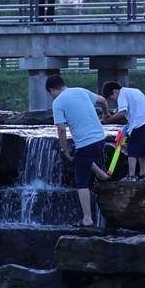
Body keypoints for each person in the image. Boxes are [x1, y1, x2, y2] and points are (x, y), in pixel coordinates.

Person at [47, 73, 109, 229]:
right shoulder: (81, 91)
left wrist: (64, 148)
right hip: (101, 140)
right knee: (79, 152)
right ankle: (101, 174)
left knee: (81, 182)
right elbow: (102, 100)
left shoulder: (58, 102)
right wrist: (106, 113)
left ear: (52, 90)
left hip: (87, 145)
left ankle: (87, 219)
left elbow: (61, 130)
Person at [103, 79, 145, 181]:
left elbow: (122, 113)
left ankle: (131, 176)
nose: (114, 101)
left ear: (115, 91)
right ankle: (143, 175)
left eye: (112, 98)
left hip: (140, 123)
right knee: (143, 151)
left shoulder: (122, 94)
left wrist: (109, 120)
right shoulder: (135, 91)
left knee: (132, 149)